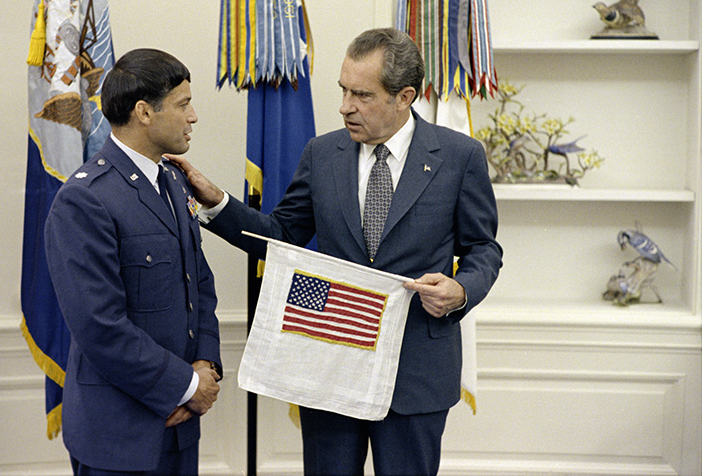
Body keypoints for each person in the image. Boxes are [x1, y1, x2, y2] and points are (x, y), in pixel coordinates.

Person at [169, 28, 502, 475]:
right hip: (329, 365)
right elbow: (282, 232)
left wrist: (461, 290)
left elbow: (483, 247)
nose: (345, 105)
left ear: (405, 96)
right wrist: (218, 204)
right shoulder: (321, 153)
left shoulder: (460, 157)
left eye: (361, 94)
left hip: (416, 373)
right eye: (343, 90)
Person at [44, 48, 223, 476]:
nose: (193, 116)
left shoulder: (172, 180)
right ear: (144, 112)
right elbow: (99, 326)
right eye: (183, 105)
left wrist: (206, 366)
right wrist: (185, 386)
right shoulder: (86, 198)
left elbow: (199, 285)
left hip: (179, 426)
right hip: (119, 434)